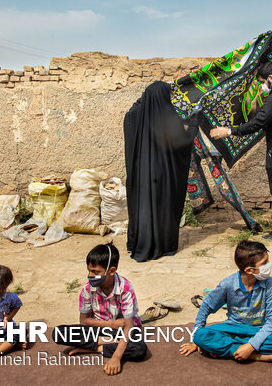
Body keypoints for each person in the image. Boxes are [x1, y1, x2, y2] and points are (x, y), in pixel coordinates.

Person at [210, 28, 272, 241]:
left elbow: (255, 124)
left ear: (270, 78)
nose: (261, 86)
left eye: (262, 81)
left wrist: (228, 131)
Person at [179, 240, 272, 365]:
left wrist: (251, 346)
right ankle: (254, 356)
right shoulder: (227, 284)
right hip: (232, 329)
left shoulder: (269, 284)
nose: (269, 265)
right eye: (264, 263)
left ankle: (234, 350)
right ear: (249, 270)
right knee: (200, 336)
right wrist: (194, 340)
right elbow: (206, 306)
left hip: (258, 330)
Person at [124, 81, 200, 262]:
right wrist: (194, 124)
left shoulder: (133, 117)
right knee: (162, 208)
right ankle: (161, 245)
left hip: (140, 176)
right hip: (162, 176)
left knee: (142, 207)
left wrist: (145, 97)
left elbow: (134, 108)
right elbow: (182, 145)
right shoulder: (168, 117)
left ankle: (139, 243)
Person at [53, 243, 147, 376]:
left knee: (139, 349)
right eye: (89, 271)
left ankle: (96, 348)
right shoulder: (87, 289)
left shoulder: (125, 288)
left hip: (124, 332)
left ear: (112, 271)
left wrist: (116, 357)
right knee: (58, 333)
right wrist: (111, 324)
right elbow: (84, 321)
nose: (90, 275)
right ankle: (109, 344)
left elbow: (129, 327)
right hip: (100, 328)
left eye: (96, 272)